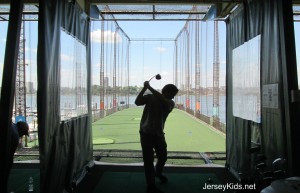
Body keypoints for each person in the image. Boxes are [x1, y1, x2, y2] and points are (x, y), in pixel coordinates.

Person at [135, 81, 178, 193]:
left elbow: (162, 100)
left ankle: (157, 173)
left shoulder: (170, 103)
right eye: (172, 93)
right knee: (148, 160)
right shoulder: (150, 97)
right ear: (166, 91)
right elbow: (137, 102)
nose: (173, 96)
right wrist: (145, 89)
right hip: (145, 133)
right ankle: (150, 185)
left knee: (163, 156)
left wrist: (150, 87)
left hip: (158, 134)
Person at [3, 121, 29, 192]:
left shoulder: (11, 124)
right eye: (23, 133)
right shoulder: (15, 136)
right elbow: (10, 155)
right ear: (21, 130)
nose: (22, 136)